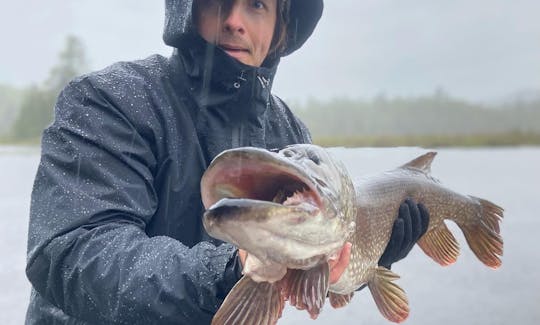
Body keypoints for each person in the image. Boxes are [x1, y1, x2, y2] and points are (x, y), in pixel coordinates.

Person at [25, 0, 429, 324]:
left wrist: (372, 256)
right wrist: (231, 270)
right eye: (220, 1)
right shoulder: (107, 101)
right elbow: (76, 253)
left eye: (256, 4)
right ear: (188, 10)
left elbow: (317, 267)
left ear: (279, 28)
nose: (235, 20)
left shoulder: (289, 134)